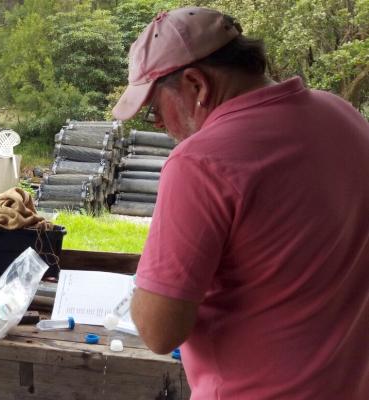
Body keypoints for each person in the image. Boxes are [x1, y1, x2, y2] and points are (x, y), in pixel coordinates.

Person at [112, 7, 369, 399]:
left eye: (154, 109)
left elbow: (158, 331)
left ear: (196, 85)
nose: (159, 124)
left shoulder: (200, 162)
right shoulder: (343, 116)